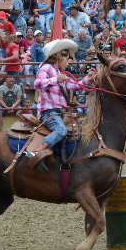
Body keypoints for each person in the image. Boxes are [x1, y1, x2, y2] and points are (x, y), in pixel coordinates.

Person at [28, 39, 94, 167]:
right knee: (61, 131)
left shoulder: (60, 73)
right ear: (59, 57)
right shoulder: (46, 67)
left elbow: (73, 85)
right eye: (67, 59)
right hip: (48, 112)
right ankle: (36, 150)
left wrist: (87, 79)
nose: (68, 62)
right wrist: (55, 79)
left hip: (58, 112)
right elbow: (37, 83)